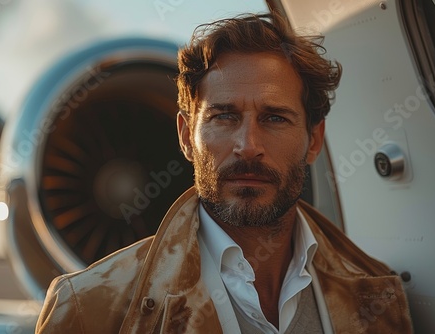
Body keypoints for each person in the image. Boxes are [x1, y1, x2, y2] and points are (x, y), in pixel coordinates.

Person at [35, 12, 413, 334]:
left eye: (275, 118)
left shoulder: (379, 294)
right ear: (186, 136)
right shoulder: (88, 309)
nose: (248, 145)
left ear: (314, 140)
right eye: (224, 116)